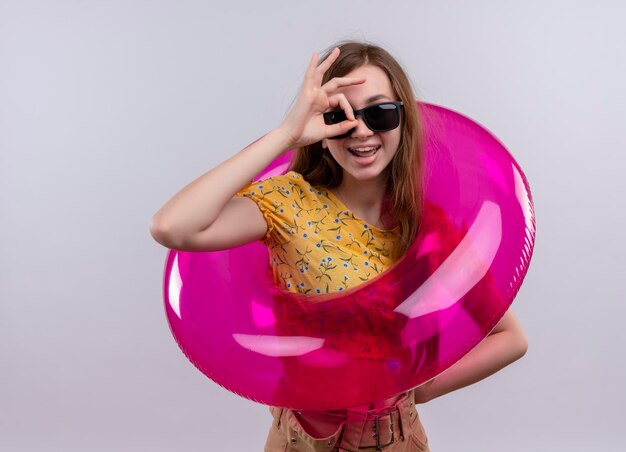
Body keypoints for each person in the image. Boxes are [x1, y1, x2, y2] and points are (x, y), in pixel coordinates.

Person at [150, 41, 528, 451]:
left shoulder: (424, 226)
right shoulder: (287, 202)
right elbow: (172, 226)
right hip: (304, 441)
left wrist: (418, 390)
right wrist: (287, 134)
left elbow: (510, 338)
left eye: (380, 113)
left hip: (396, 440)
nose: (362, 131)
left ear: (403, 119)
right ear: (321, 126)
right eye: (340, 117)